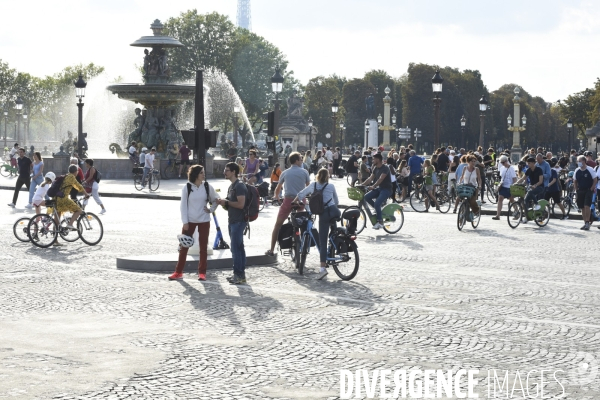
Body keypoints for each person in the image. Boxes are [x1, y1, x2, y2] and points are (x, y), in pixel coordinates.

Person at [169, 165, 220, 281]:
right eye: (201, 173)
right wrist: (185, 222)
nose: (204, 174)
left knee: (203, 247)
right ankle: (178, 272)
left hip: (204, 220)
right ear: (196, 174)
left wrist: (211, 210)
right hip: (190, 221)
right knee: (184, 247)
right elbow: (183, 206)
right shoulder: (187, 187)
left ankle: (202, 273)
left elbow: (216, 199)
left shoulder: (207, 186)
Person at [293, 168, 340, 280]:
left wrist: (294, 201)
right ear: (327, 176)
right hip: (334, 211)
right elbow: (336, 201)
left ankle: (322, 269)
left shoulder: (314, 186)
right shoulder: (331, 186)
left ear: (318, 176)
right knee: (334, 231)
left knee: (322, 241)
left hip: (324, 214)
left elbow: (301, 194)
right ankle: (336, 241)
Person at [265, 152, 310, 257]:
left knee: (277, 225)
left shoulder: (285, 172)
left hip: (288, 201)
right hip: (300, 201)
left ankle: (271, 250)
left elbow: (278, 188)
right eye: (300, 159)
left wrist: (276, 197)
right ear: (296, 161)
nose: (302, 161)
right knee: (303, 222)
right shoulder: (305, 172)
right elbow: (308, 188)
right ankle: (304, 245)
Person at [217, 162, 248, 284]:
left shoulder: (239, 186)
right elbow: (230, 204)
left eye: (227, 170)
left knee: (236, 249)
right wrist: (223, 203)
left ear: (234, 172)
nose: (225, 172)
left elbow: (241, 204)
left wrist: (227, 202)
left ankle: (239, 275)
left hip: (238, 221)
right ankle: (240, 275)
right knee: (238, 248)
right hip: (233, 220)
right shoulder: (232, 186)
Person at [361, 153, 392, 230]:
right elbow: (370, 178)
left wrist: (373, 186)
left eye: (374, 159)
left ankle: (380, 222)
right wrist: (361, 185)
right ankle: (378, 210)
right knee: (366, 197)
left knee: (377, 203)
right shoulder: (375, 168)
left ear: (378, 159)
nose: (372, 161)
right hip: (380, 188)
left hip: (387, 189)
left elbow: (381, 179)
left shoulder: (385, 168)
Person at [56, 165, 87, 232]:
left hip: (57, 198)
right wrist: (86, 194)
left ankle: (55, 238)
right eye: (77, 171)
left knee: (57, 219)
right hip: (64, 199)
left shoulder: (66, 176)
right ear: (76, 171)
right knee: (79, 210)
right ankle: (70, 224)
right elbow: (79, 186)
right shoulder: (71, 177)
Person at [573, 155, 597, 230]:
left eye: (580, 161)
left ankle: (587, 222)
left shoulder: (590, 169)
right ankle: (585, 223)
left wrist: (592, 188)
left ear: (584, 161)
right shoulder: (577, 170)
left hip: (588, 190)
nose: (578, 162)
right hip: (580, 190)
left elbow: (595, 179)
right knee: (582, 207)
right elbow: (575, 180)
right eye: (578, 161)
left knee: (587, 206)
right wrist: (576, 189)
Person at [492, 156, 517, 220]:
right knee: (500, 198)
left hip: (510, 186)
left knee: (511, 200)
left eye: (503, 162)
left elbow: (514, 178)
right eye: (501, 163)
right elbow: (501, 177)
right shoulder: (502, 168)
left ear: (506, 161)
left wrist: (514, 187)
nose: (502, 164)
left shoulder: (511, 168)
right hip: (503, 186)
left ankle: (517, 212)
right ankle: (498, 215)